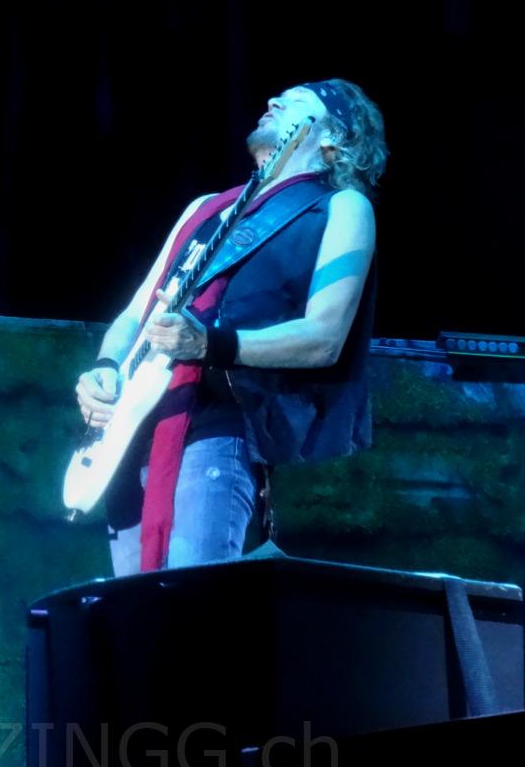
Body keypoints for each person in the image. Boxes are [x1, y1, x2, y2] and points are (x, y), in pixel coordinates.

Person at [74, 79, 387, 577]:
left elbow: (324, 337)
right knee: (133, 609)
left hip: (222, 420)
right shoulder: (205, 209)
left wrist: (210, 343)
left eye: (296, 100)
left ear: (332, 136)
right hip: (136, 426)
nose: (273, 101)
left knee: (192, 600)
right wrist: (106, 367)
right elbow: (134, 315)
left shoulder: (340, 207)